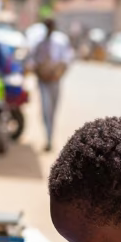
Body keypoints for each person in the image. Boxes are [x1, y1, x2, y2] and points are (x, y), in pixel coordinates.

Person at [28, 16, 74, 151]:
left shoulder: (61, 41)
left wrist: (57, 73)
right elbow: (32, 61)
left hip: (55, 81)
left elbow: (67, 60)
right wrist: (39, 71)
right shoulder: (39, 43)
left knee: (53, 110)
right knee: (45, 109)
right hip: (43, 81)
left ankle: (50, 135)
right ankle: (48, 138)